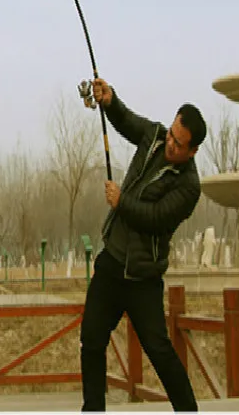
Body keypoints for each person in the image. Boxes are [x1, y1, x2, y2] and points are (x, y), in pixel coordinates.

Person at [81, 78, 206, 412]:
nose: (171, 145)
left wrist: (122, 201)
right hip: (112, 262)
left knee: (159, 350)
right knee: (91, 340)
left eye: (180, 145)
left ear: (193, 151)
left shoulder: (189, 188)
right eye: (173, 136)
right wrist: (109, 101)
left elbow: (155, 218)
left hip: (143, 277)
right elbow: (126, 120)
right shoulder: (155, 136)